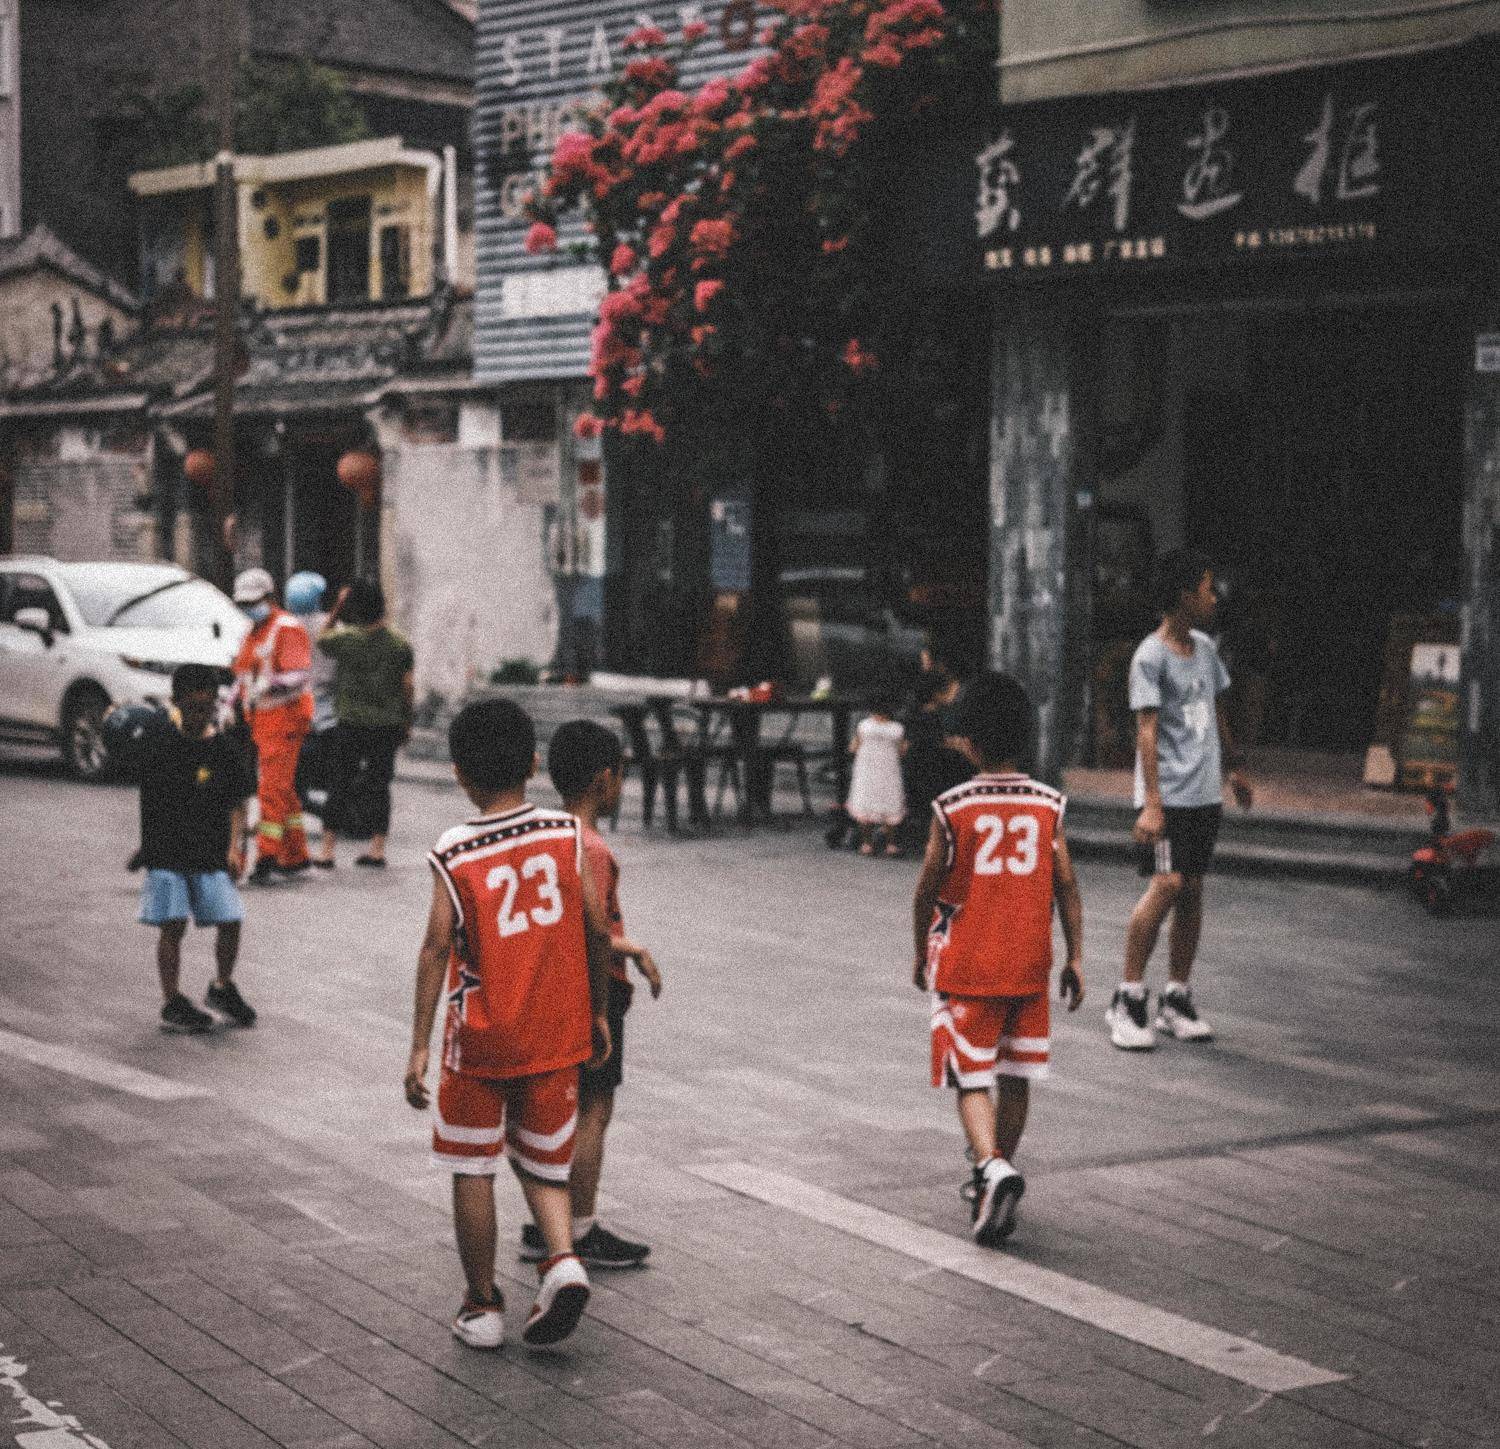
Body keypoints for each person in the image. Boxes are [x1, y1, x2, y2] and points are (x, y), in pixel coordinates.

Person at [405, 698, 614, 1350]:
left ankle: (482, 1305)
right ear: (532, 762)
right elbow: (595, 928)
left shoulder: (456, 849)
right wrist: (597, 1009)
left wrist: (418, 1046)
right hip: (556, 1033)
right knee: (543, 1162)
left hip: (480, 1041)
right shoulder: (564, 833)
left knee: (473, 1165)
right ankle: (563, 1258)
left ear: (459, 773)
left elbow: (436, 946)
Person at [912, 672, 1084, 1246]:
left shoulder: (952, 807)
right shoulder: (1048, 805)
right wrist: (1076, 957)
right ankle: (996, 1172)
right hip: (1029, 967)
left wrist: (918, 951)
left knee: (970, 1077)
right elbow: (1066, 884)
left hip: (968, 965)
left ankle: (989, 1167)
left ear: (969, 741)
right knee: (1016, 1076)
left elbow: (926, 887)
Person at [515, 719, 663, 1270]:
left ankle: (545, 1224)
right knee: (593, 1111)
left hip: (559, 988)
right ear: (605, 779)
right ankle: (579, 1227)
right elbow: (590, 930)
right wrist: (630, 952)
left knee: (562, 1110)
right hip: (594, 990)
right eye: (621, 774)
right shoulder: (591, 847)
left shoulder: (552, 835)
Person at [1107, 549, 1255, 1052]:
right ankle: (1128, 997)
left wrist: (1233, 767)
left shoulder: (1206, 649)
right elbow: (1146, 732)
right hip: (1167, 796)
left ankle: (1176, 998)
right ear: (1184, 595)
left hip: (1204, 794)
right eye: (1208, 587)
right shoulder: (1149, 657)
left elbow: (1217, 712)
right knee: (1166, 884)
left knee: (1191, 889)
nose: (1215, 596)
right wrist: (1152, 804)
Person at [136, 664, 257, 1033]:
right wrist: (147, 850)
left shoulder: (224, 749)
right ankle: (172, 1000)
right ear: (177, 703)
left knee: (231, 919)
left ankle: (221, 986)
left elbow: (237, 802)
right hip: (168, 851)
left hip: (210, 851)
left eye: (207, 708)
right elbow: (149, 799)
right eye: (192, 707)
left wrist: (235, 847)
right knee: (173, 925)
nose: (200, 715)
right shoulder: (160, 744)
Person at [315, 580, 415, 869]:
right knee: (379, 785)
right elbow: (408, 687)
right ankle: (377, 848)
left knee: (339, 783)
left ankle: (327, 850)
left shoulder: (346, 639)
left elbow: (322, 639)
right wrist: (407, 722)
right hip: (386, 725)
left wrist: (337, 608)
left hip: (350, 723)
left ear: (355, 609)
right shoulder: (399, 644)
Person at [231, 568, 314, 881]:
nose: (248, 608)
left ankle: (266, 856)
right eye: (244, 603)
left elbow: (299, 674)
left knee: (271, 789)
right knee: (283, 789)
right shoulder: (254, 631)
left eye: (253, 602)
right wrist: (229, 704)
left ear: (270, 597)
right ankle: (295, 855)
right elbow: (242, 675)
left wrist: (271, 684)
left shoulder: (286, 628)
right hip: (261, 721)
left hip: (285, 720)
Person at [286, 571, 337, 861]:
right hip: (328, 712)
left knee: (295, 777)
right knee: (332, 775)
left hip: (296, 711)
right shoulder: (331, 626)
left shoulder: (286, 627)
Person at [846, 697, 907, 855]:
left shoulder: (864, 726)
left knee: (865, 803)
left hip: (867, 771)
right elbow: (902, 751)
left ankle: (867, 844)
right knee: (891, 803)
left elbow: (853, 748)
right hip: (889, 771)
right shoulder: (897, 729)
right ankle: (891, 844)